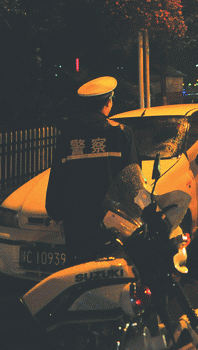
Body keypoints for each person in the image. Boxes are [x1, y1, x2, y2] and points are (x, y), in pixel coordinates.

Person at [46, 76, 141, 266]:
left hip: (76, 225)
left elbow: (57, 181)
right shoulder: (121, 133)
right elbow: (133, 181)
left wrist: (58, 214)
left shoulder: (67, 137)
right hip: (113, 225)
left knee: (79, 275)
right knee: (113, 275)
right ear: (108, 102)